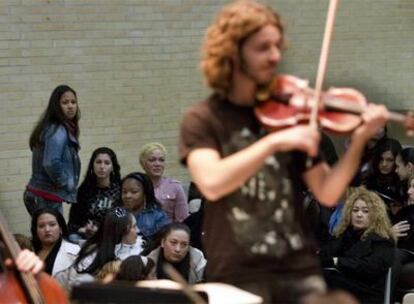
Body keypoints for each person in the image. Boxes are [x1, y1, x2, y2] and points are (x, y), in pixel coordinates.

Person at [178, 1, 389, 302]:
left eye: (277, 46)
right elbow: (211, 181)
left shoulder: (291, 117)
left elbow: (328, 192)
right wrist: (273, 142)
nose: (275, 55)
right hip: (238, 271)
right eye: (263, 47)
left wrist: (359, 141)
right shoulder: (204, 119)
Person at [319, 187, 396, 303]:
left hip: (367, 291)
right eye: (355, 210)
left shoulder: (383, 239)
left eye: (365, 211)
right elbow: (326, 254)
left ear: (375, 215)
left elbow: (372, 267)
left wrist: (338, 261)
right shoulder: (342, 233)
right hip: (342, 283)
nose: (359, 215)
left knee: (327, 280)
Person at [24, 85, 81, 216]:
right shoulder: (58, 130)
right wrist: (64, 182)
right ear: (56, 106)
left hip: (41, 194)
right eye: (65, 102)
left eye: (73, 102)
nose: (71, 106)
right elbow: (51, 162)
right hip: (46, 196)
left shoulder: (52, 127)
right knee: (54, 235)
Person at [57, 207, 143, 288]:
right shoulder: (90, 260)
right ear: (121, 232)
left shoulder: (138, 250)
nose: (138, 231)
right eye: (134, 227)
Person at [68, 147, 121, 242]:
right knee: (72, 238)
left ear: (113, 167)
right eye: (98, 162)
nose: (102, 166)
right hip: (85, 235)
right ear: (92, 165)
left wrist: (101, 230)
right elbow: (73, 222)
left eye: (107, 163)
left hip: (110, 235)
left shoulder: (120, 190)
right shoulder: (83, 190)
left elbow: (121, 215)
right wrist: (83, 229)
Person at [139, 142, 189, 222]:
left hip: (169, 232)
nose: (157, 164)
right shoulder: (136, 186)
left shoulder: (175, 187)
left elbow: (183, 219)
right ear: (143, 163)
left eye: (161, 160)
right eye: (152, 160)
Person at [31, 208, 80, 277]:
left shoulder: (74, 251)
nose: (47, 229)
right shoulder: (30, 250)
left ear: (60, 228)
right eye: (41, 226)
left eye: (52, 224)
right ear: (36, 230)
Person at [120, 172, 169, 241]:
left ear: (145, 193)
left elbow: (161, 244)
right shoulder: (117, 214)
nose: (127, 196)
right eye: (124, 192)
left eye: (134, 192)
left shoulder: (159, 216)